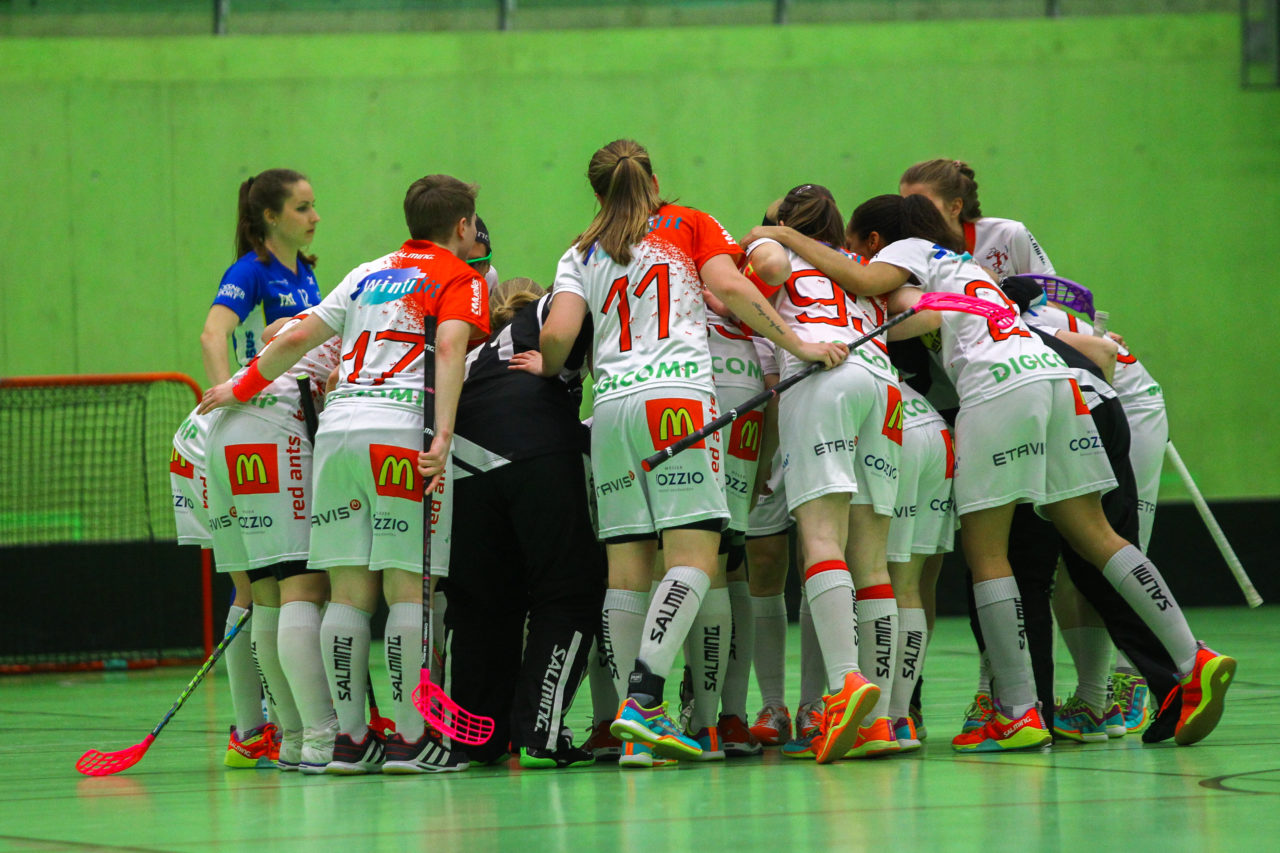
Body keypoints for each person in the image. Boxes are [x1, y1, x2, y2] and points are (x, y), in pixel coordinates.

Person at [745, 193, 1234, 751]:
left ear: (877, 241)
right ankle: (1192, 656)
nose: (854, 259)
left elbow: (868, 283)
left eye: (857, 246)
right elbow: (918, 310)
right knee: (1097, 534)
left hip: (998, 388)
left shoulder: (909, 250)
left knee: (986, 554)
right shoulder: (966, 267)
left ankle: (1019, 710)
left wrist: (786, 239)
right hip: (1052, 378)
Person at [532, 139, 847, 766]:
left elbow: (558, 340)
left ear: (598, 192)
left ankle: (636, 736)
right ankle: (646, 701)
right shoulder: (690, 223)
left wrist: (542, 362)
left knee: (627, 570)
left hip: (612, 408)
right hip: (675, 401)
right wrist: (801, 345)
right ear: (653, 178)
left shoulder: (579, 250)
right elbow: (733, 290)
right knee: (696, 557)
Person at [201, 173, 489, 774]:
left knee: (349, 591)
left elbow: (298, 336)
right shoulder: (460, 278)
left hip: (336, 435)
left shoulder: (365, 272)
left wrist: (237, 385)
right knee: (409, 587)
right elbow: (450, 348)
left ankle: (348, 739)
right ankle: (415, 739)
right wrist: (440, 433)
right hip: (400, 430)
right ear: (462, 227)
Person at [743, 184, 900, 760]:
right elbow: (907, 310)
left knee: (820, 539)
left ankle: (845, 687)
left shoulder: (775, 246)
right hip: (884, 386)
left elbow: (769, 264)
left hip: (824, 375)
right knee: (871, 559)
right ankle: (876, 723)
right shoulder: (858, 265)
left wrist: (766, 240)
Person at [437, 275, 604, 769]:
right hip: (536, 447)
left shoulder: (472, 349)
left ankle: (471, 737)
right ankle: (539, 730)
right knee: (571, 592)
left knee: (481, 603)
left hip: (464, 464)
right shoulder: (556, 306)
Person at [198, 168, 323, 768]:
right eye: (302, 208)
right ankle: (299, 733)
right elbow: (212, 332)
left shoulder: (306, 272)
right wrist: (232, 389)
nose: (314, 216)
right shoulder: (250, 271)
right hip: (263, 432)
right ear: (271, 217)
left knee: (257, 590)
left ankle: (261, 730)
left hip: (272, 430)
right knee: (285, 584)